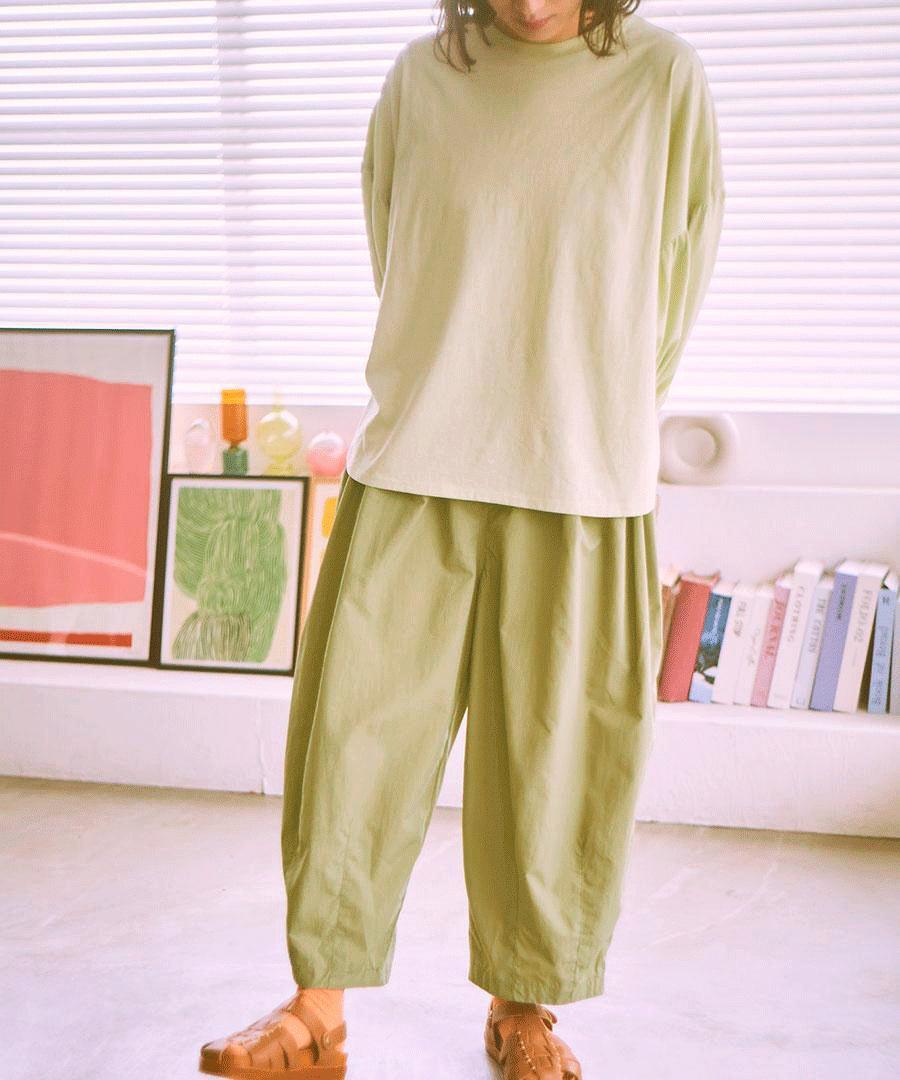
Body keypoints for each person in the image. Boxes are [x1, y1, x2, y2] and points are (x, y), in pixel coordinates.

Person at [198, 1, 724, 1077]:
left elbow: (679, 279)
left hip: (582, 473)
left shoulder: (663, 81)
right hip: (418, 458)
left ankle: (523, 1007)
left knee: (554, 760)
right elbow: (397, 251)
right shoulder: (423, 77)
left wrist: (590, 401)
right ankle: (317, 1009)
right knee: (354, 737)